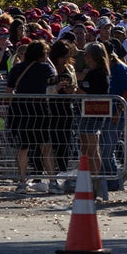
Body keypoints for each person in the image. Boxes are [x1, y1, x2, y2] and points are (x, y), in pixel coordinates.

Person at [5, 40, 57, 194]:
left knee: (23, 148)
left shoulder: (17, 68)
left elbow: (9, 91)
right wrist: (48, 60)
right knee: (45, 147)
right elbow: (55, 76)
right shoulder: (45, 67)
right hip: (40, 110)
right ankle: (53, 182)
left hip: (21, 110)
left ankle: (22, 182)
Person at [76, 42, 111, 199]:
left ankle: (95, 181)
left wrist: (73, 90)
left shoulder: (97, 73)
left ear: (92, 57)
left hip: (93, 112)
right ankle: (89, 179)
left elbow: (83, 92)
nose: (85, 57)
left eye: (87, 55)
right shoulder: (97, 72)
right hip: (90, 112)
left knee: (91, 147)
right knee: (87, 147)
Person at [100, 51, 127, 193]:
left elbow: (126, 91)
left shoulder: (121, 68)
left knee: (108, 149)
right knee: (103, 149)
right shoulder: (104, 68)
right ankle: (107, 181)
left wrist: (118, 111)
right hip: (103, 113)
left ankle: (113, 182)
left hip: (115, 113)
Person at [47, 39, 78, 190]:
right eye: (63, 56)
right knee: (49, 142)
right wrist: (56, 87)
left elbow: (75, 86)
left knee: (64, 142)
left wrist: (70, 90)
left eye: (67, 56)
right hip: (50, 109)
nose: (65, 59)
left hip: (66, 108)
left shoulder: (70, 68)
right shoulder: (48, 68)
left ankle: (62, 171)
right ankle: (48, 174)